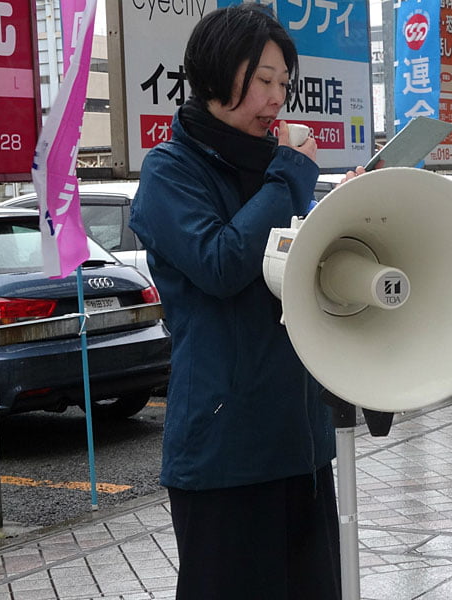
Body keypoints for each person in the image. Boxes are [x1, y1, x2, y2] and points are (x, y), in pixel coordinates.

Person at [128, 4, 343, 599]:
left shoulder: (277, 170)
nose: (277, 99)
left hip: (301, 440)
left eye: (283, 83)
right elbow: (222, 265)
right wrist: (290, 179)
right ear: (218, 76)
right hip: (224, 452)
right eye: (263, 81)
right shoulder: (170, 171)